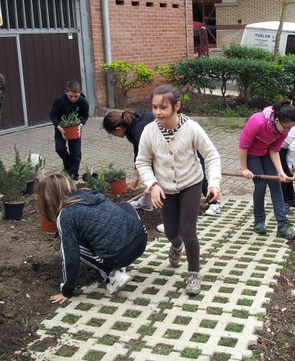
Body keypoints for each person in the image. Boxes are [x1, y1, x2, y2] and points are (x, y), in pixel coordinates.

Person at [135, 85, 222, 296]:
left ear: (177, 106)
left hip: (191, 183)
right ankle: (176, 246)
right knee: (172, 232)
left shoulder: (192, 128)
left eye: (163, 107)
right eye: (154, 107)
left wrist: (214, 183)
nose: (157, 112)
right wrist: (152, 185)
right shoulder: (149, 131)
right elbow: (143, 161)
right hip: (164, 189)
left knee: (188, 231)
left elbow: (211, 155)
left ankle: (193, 273)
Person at [37, 174, 147, 303]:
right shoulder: (93, 195)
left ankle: (113, 274)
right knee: (125, 206)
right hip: (141, 242)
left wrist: (67, 291)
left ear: (49, 197)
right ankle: (120, 263)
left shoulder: (66, 214)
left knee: (71, 244)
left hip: (118, 255)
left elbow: (71, 257)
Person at [103, 110, 221, 218]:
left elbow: (149, 161)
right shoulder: (133, 121)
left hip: (184, 148)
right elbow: (139, 153)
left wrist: (151, 184)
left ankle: (214, 203)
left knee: (198, 173)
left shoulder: (138, 131)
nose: (115, 137)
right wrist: (138, 175)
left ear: (118, 129)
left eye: (113, 134)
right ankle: (146, 202)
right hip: (166, 151)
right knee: (153, 177)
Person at [239, 98, 295, 240]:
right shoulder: (257, 121)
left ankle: (283, 225)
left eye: (291, 128)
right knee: (260, 185)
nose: (288, 131)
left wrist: (281, 172)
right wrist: (244, 168)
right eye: (286, 128)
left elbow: (274, 150)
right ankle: (259, 221)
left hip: (266, 153)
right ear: (277, 120)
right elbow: (243, 146)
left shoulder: (283, 130)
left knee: (276, 184)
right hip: (251, 154)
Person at [49, 80, 90, 180]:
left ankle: (73, 176)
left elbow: (85, 115)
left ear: (80, 92)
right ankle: (68, 166)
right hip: (61, 128)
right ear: (65, 92)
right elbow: (53, 114)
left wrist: (80, 125)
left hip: (76, 129)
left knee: (76, 153)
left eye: (76, 96)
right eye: (70, 96)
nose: (73, 98)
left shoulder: (83, 102)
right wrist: (58, 126)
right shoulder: (59, 100)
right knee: (59, 148)